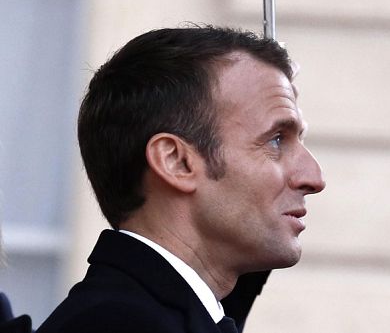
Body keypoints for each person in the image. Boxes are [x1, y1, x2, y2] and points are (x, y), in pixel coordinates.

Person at [38, 26, 325, 333]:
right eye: (276, 140)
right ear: (175, 161)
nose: (314, 178)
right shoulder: (116, 322)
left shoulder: (152, 311)